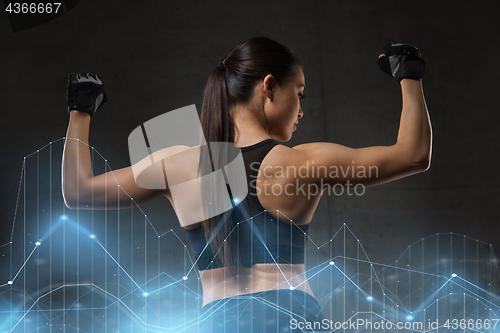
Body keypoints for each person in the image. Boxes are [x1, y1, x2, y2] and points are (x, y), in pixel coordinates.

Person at [62, 37, 431, 332]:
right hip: (292, 317)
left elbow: (78, 192)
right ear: (269, 86)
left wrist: (81, 111)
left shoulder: (175, 166)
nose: (301, 110)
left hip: (217, 322)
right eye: (298, 94)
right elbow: (413, 155)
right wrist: (408, 75)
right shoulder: (301, 163)